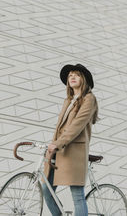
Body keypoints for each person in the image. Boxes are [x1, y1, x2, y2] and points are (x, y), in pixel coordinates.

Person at [42, 63, 99, 216]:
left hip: (74, 152)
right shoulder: (68, 100)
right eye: (70, 75)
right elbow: (59, 128)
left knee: (77, 195)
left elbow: (76, 126)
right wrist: (52, 144)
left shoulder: (89, 99)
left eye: (76, 74)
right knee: (46, 190)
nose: (72, 77)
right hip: (58, 151)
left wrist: (57, 143)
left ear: (84, 79)